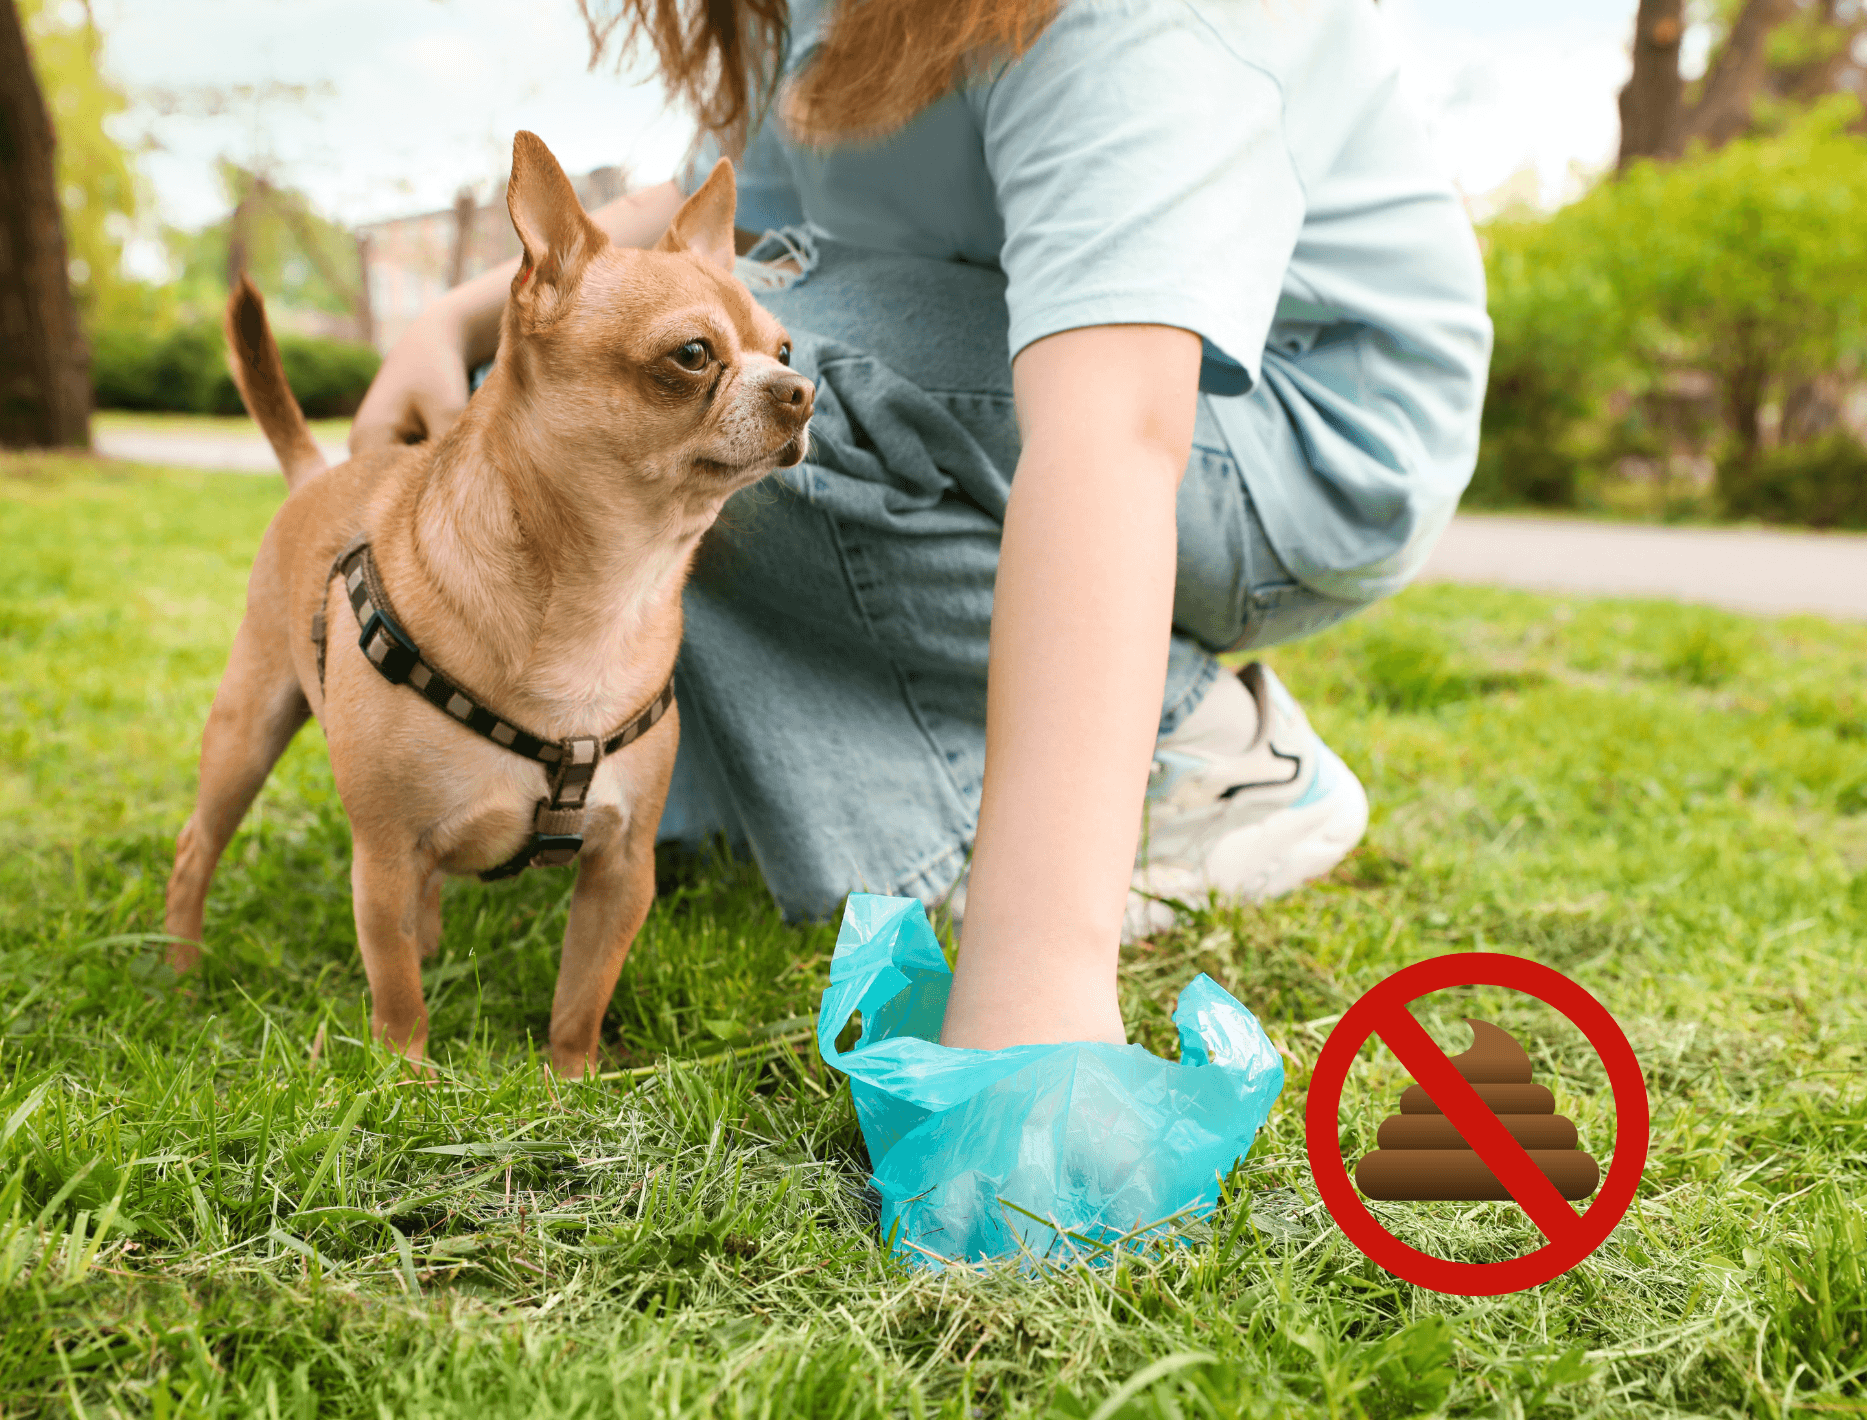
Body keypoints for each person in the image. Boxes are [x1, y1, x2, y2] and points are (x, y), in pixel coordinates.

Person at [352, 0, 1491, 1053]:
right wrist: (460, 321)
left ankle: (1183, 753)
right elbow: (733, 205)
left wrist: (1034, 978)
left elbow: (1117, 429)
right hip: (1033, 367)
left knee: (760, 389)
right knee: (626, 388)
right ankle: (843, 782)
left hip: (1286, 438)